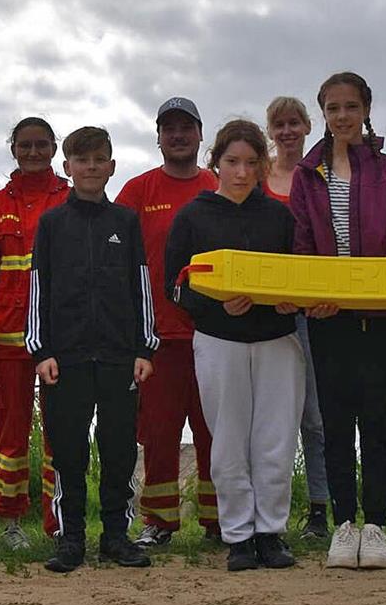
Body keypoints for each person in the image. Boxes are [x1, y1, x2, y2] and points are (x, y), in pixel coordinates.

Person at [290, 71, 386, 570]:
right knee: (335, 426)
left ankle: (377, 526)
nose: (342, 116)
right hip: (328, 321)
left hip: (380, 321)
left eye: (350, 106)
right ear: (322, 114)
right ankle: (343, 525)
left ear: (366, 110)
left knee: (377, 425)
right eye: (332, 108)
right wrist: (311, 300)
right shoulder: (307, 174)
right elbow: (302, 245)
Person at [166, 119, 303, 572]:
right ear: (216, 163)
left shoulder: (281, 217)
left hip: (277, 340)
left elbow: (300, 276)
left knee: (275, 440)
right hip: (218, 340)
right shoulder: (193, 216)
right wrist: (217, 306)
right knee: (227, 440)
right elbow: (175, 286)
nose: (242, 172)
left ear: (263, 164)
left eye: (250, 162)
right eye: (232, 162)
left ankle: (271, 533)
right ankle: (239, 536)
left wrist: (293, 301)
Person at [27, 126, 157, 573]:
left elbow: (141, 287)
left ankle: (117, 537)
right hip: (65, 359)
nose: (91, 167)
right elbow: (38, 288)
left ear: (112, 166)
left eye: (99, 159)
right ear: (67, 167)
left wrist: (145, 348)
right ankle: (71, 539)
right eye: (82, 160)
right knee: (69, 452)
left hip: (120, 357)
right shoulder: (51, 224)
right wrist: (41, 350)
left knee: (119, 449)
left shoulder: (125, 222)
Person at [116, 97, 220, 547]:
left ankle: (220, 521)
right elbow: (115, 258)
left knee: (216, 432)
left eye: (186, 127)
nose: (178, 135)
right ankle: (159, 521)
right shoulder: (138, 191)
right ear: (158, 137)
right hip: (157, 337)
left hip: (216, 334)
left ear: (200, 134)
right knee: (159, 433)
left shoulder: (218, 184)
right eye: (169, 128)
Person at [0, 117, 69, 550]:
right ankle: (11, 523)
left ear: (54, 149)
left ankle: (58, 522)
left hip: (59, 337)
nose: (33, 152)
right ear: (13, 149)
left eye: (41, 144)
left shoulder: (69, 198)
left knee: (59, 433)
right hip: (7, 335)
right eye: (25, 145)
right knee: (10, 434)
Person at [264, 96, 331, 541]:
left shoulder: (322, 174)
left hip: (314, 311)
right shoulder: (257, 176)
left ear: (308, 125)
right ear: (270, 131)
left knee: (315, 416)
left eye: (295, 122)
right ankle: (269, 511)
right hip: (267, 312)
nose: (288, 131)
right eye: (279, 124)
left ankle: (320, 510)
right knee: (272, 418)